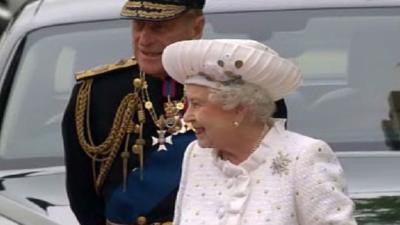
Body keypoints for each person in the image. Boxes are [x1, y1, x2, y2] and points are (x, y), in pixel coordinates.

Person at [62, 0, 287, 224]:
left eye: (159, 27)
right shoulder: (97, 93)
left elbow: (270, 180)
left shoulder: (245, 90)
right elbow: (84, 196)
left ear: (196, 28)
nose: (144, 40)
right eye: (138, 26)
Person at [162, 39, 358, 225]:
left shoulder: (303, 157)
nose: (186, 117)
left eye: (196, 104)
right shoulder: (196, 154)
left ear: (238, 108)